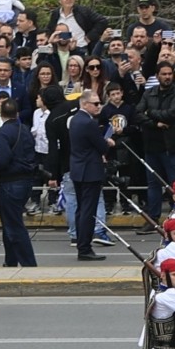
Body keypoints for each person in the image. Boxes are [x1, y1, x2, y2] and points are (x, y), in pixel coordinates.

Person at [0, 97, 40, 267]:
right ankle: (10, 260)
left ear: (0, 113)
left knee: (14, 225)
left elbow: (2, 159)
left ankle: (29, 264)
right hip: (26, 180)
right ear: (17, 113)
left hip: (10, 182)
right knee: (11, 221)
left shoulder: (2, 133)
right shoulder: (25, 130)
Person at [66, 89, 116, 261]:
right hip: (90, 171)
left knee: (81, 209)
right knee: (88, 210)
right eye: (95, 103)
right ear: (85, 104)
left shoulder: (75, 120)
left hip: (78, 169)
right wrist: (107, 142)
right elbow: (101, 146)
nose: (98, 106)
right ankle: (85, 247)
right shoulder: (88, 122)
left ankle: (82, 244)